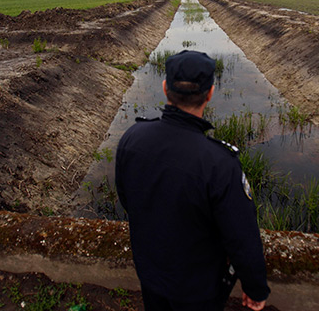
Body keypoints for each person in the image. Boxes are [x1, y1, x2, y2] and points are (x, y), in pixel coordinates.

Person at [115, 50, 270, 311]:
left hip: (150, 273)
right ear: (210, 93)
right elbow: (241, 236)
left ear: (165, 88)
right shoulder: (219, 163)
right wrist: (255, 288)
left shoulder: (132, 138)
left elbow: (128, 199)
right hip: (198, 289)